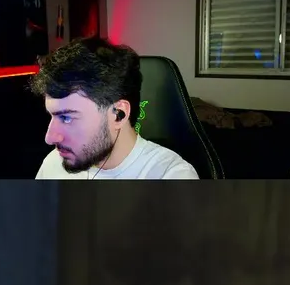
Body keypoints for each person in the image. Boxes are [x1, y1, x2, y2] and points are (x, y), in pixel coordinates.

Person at [30, 37, 198, 179]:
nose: (49, 138)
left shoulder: (171, 175)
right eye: (52, 116)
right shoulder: (54, 164)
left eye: (66, 118)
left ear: (119, 114)